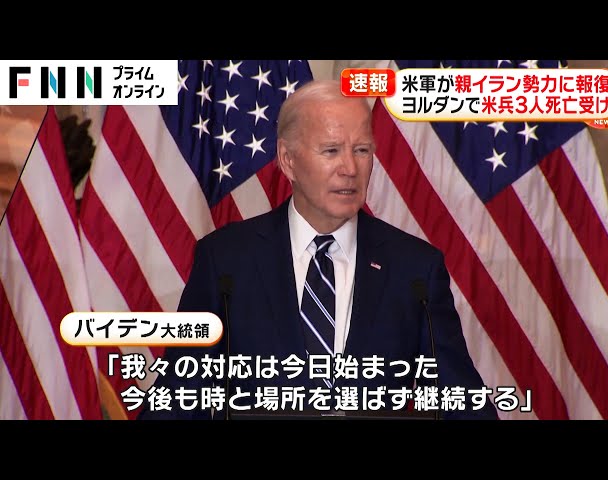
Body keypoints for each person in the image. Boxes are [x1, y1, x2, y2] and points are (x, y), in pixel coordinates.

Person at [138, 79, 498, 420]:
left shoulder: (415, 269)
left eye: (362, 150)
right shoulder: (226, 261)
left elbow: (462, 402)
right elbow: (179, 397)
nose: (350, 168)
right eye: (331, 150)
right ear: (288, 160)